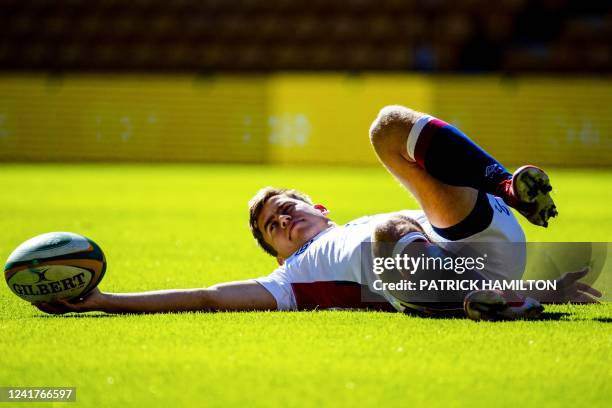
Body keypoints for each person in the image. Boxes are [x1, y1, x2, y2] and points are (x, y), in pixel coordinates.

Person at [34, 105, 599, 320]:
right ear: (275, 251)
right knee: (389, 232)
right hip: (433, 285)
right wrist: (106, 301)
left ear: (319, 207)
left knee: (387, 126)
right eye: (269, 228)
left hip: (474, 237)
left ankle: (508, 186)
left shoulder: (373, 219)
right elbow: (207, 297)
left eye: (284, 208)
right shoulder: (291, 279)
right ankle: (501, 301)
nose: (279, 220)